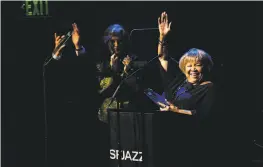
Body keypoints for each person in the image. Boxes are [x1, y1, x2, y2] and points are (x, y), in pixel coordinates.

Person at [155, 11, 217, 167]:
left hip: (191, 145)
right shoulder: (177, 81)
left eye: (198, 65)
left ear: (205, 67)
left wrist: (175, 111)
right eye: (189, 65)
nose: (193, 69)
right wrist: (163, 37)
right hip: (167, 139)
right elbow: (163, 58)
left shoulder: (208, 87)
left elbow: (203, 115)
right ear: (184, 67)